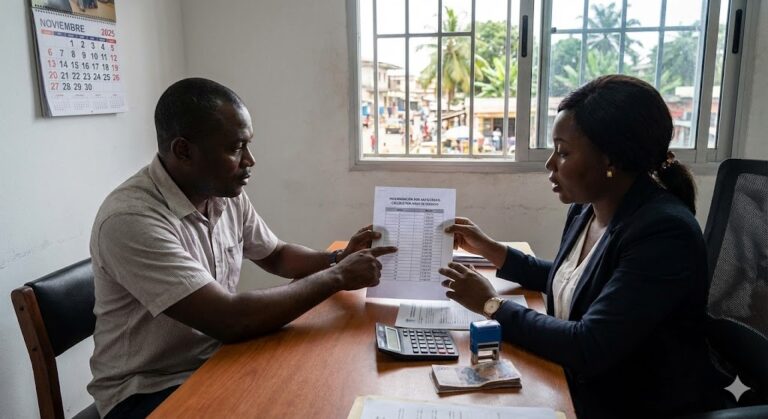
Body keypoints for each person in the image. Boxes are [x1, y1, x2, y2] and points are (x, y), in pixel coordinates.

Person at [88, 78, 397, 419]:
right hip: (146, 390)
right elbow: (229, 318)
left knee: (321, 387)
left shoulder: (222, 192)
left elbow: (276, 255)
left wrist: (337, 257)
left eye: (247, 145)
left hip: (216, 359)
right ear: (183, 151)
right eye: (235, 148)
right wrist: (337, 276)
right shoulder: (131, 219)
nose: (250, 160)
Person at [438, 75, 730, 418]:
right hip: (580, 384)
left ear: (611, 160)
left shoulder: (664, 232)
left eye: (563, 152)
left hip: (632, 405)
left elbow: (588, 345)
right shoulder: (588, 208)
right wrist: (491, 249)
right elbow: (574, 278)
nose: (550, 165)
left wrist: (491, 305)